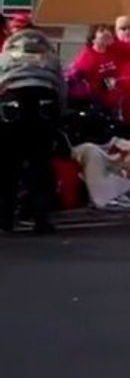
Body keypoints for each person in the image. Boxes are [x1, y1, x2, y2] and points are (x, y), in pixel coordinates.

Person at [0, 21, 66, 234]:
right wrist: (59, 115)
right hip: (44, 106)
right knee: (40, 164)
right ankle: (41, 219)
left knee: (9, 164)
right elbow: (61, 87)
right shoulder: (50, 57)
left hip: (12, 107)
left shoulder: (5, 56)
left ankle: (5, 219)